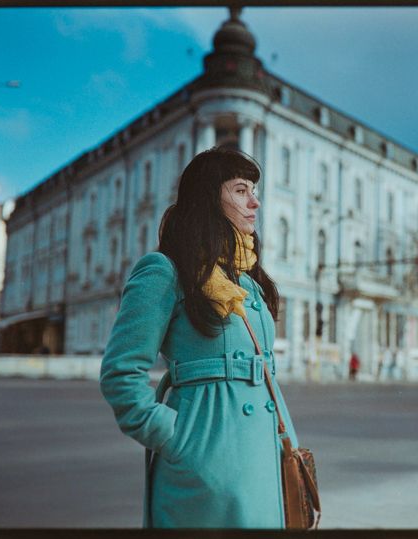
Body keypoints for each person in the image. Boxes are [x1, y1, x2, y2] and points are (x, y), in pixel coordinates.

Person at [99, 147, 300, 529]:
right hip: (205, 463)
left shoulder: (248, 280)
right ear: (209, 197)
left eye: (254, 191)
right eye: (241, 190)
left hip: (267, 454)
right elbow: (121, 372)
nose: (255, 202)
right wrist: (176, 440)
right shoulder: (165, 271)